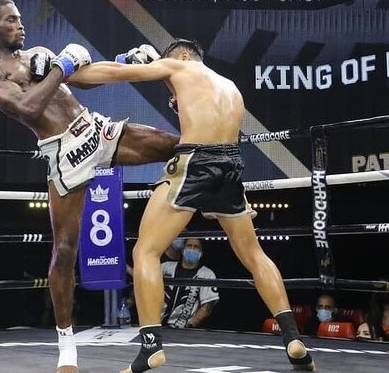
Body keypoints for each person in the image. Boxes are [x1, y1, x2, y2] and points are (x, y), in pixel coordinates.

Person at [69, 38, 315, 372]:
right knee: (254, 256)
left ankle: (151, 347)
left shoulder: (180, 65)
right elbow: (207, 120)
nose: (167, 73)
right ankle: (292, 338)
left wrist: (68, 72)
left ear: (184, 56)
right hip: (231, 165)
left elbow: (114, 72)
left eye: (168, 64)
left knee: (146, 252)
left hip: (195, 162)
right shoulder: (229, 87)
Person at [0, 0, 179, 373]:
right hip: (63, 150)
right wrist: (60, 67)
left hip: (93, 128)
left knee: (181, 146)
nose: (21, 26)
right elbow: (29, 109)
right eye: (12, 21)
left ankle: (216, 197)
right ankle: (67, 346)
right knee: (65, 250)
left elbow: (82, 77)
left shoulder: (36, 53)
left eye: (20, 19)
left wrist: (124, 63)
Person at [160, 238, 218, 329]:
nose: (192, 249)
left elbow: (207, 306)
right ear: (183, 250)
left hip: (183, 328)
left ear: (201, 252)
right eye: (189, 246)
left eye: (196, 247)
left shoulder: (207, 274)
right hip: (157, 323)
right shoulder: (165, 267)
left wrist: (190, 326)